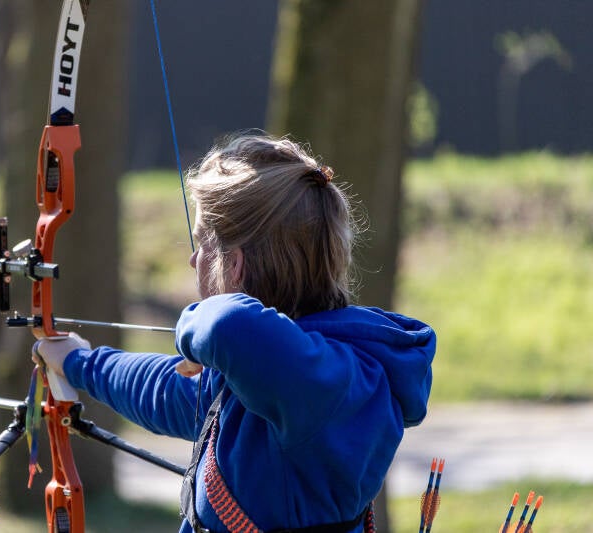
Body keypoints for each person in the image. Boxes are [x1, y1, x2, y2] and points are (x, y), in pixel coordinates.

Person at [33, 133, 436, 533]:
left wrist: (192, 332)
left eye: (203, 243)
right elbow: (168, 392)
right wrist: (78, 361)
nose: (194, 260)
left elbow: (227, 325)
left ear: (236, 266)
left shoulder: (325, 384)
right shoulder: (274, 379)